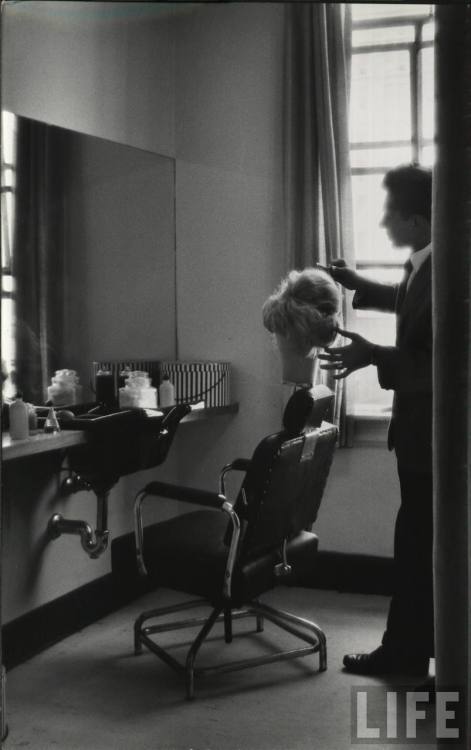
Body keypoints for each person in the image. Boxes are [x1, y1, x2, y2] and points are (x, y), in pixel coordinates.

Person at [319, 164, 433, 677]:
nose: (384, 222)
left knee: (418, 552)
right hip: (420, 440)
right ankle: (412, 650)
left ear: (414, 218)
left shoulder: (449, 271)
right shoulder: (425, 264)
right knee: (417, 551)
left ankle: (407, 653)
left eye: (390, 213)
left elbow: (441, 363)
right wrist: (354, 282)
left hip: (436, 442)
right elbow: (406, 299)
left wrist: (373, 357)